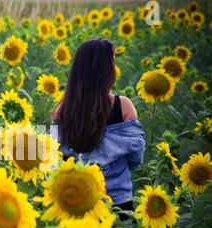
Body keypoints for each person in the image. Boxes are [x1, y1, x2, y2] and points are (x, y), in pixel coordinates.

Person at [51, 38, 145, 213]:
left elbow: (54, 156)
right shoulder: (122, 106)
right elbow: (137, 158)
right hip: (118, 202)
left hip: (76, 201)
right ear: (107, 70)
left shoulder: (61, 109)